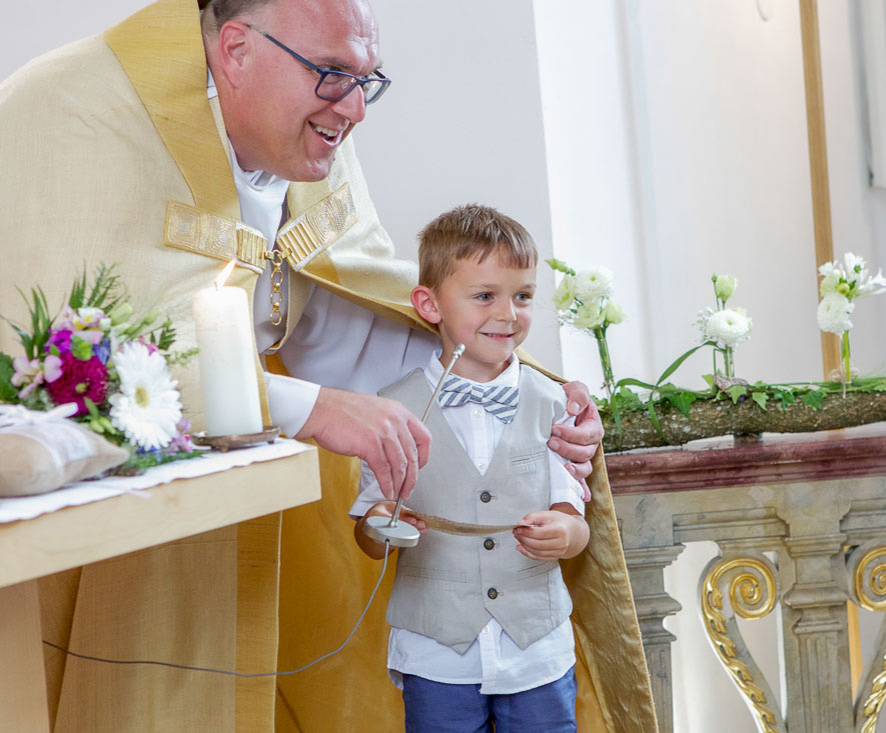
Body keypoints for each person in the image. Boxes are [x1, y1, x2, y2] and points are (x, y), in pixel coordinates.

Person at [0, 0, 655, 729]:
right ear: (238, 50)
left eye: (367, 80)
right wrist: (313, 407)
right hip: (118, 506)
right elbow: (87, 355)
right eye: (333, 74)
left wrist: (525, 393)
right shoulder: (71, 111)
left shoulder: (311, 120)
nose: (354, 109)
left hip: (292, 503)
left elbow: (343, 304)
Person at [351, 205, 588, 731]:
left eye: (523, 296)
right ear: (429, 304)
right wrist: (380, 523)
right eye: (485, 296)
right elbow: (367, 533)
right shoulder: (392, 409)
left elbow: (575, 516)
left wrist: (566, 533)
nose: (508, 314)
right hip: (436, 651)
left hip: (536, 649)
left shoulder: (555, 403)